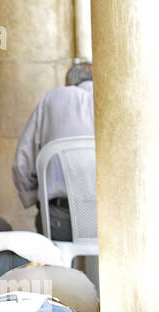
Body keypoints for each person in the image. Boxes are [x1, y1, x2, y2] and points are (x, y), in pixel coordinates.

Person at [12, 66, 94, 240]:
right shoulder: (116, 98)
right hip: (110, 217)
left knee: (55, 265)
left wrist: (36, 196)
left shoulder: (52, 98)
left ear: (70, 84)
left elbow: (22, 163)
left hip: (59, 217)